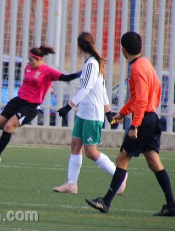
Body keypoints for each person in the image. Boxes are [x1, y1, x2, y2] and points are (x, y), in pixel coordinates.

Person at [85, 31, 175, 216]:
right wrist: (122, 114)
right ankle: (172, 206)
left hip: (143, 120)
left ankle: (105, 202)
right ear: (140, 47)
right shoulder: (146, 64)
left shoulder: (137, 69)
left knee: (122, 159)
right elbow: (140, 97)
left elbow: (141, 100)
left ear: (123, 50)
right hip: (151, 118)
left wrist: (135, 125)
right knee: (154, 162)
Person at [53, 32, 127, 194]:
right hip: (83, 114)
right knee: (75, 145)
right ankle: (71, 184)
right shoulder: (91, 63)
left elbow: (86, 89)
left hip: (92, 115)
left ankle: (119, 176)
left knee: (91, 152)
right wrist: (109, 113)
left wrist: (68, 106)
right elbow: (101, 90)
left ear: (79, 48)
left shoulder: (92, 64)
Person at [0, 45, 79, 162]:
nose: (29, 62)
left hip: (30, 106)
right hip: (18, 100)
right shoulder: (28, 67)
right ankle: (12, 128)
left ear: (39, 59)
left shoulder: (47, 71)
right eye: (28, 59)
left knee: (8, 126)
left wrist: (80, 73)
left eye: (32, 60)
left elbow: (65, 78)